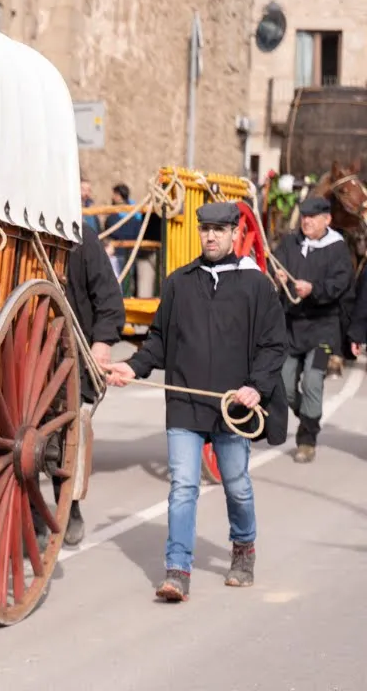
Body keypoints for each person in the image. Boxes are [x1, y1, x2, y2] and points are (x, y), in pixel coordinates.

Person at [104, 202, 287, 603]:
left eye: (219, 230)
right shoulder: (179, 283)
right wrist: (132, 367)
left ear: (235, 233)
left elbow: (275, 345)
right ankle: (177, 570)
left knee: (237, 486)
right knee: (183, 486)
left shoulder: (256, 285)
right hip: (185, 403)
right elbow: (158, 341)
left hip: (233, 407)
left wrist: (256, 387)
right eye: (206, 229)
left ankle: (243, 548)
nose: (211, 236)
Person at [53, 222, 126, 546]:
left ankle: (69, 505)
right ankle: (32, 512)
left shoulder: (79, 236)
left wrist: (102, 342)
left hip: (70, 354)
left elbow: (109, 298)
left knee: (65, 438)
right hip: (20, 355)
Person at [272, 196, 355, 464]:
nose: (306, 221)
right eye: (304, 216)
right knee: (283, 385)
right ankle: (308, 415)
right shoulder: (290, 242)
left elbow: (341, 284)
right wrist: (277, 276)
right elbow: (275, 264)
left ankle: (307, 438)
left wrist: (314, 290)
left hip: (323, 332)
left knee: (313, 381)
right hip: (291, 328)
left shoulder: (338, 248)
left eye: (312, 217)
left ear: (326, 219)